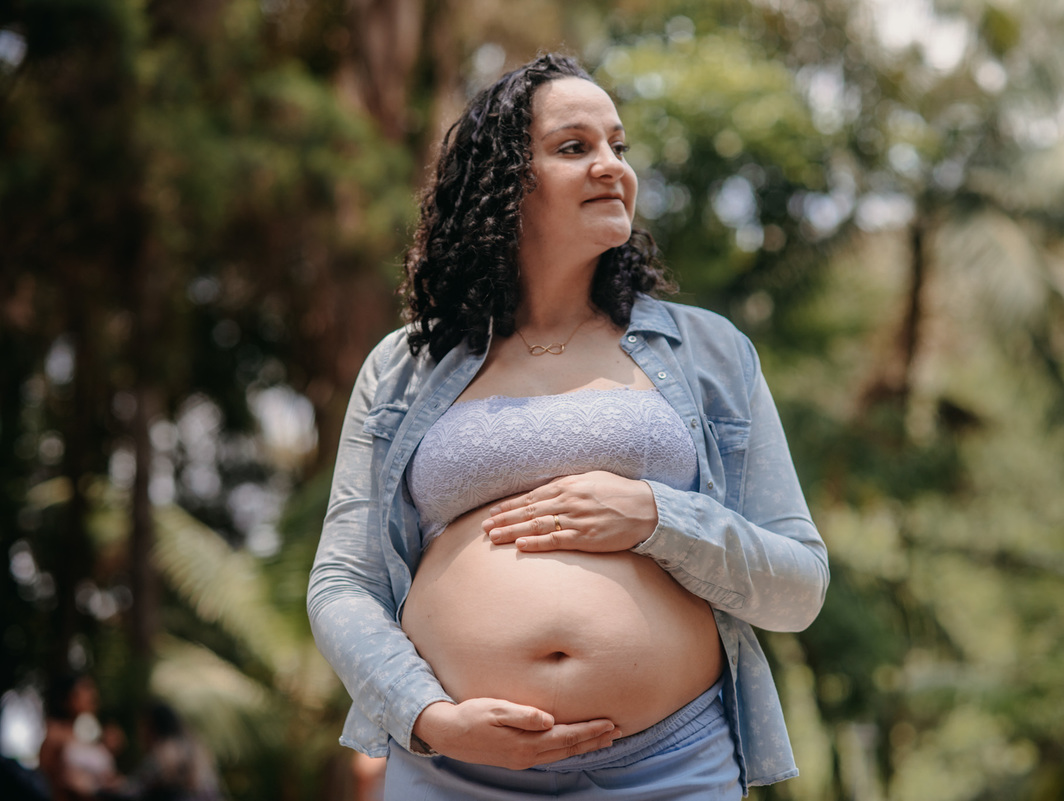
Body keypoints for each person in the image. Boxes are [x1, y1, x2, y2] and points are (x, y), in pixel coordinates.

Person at [307, 52, 829, 799]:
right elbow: (342, 582)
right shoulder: (405, 367)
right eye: (575, 147)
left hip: (669, 769)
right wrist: (428, 716)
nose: (612, 165)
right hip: (455, 773)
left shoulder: (711, 354)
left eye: (620, 145)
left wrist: (655, 515)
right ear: (502, 187)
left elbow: (800, 586)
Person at [38, 674, 119, 801]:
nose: (92, 694)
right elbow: (43, 779)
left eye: (92, 689)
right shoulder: (55, 734)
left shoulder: (96, 734)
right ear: (67, 698)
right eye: (85, 689)